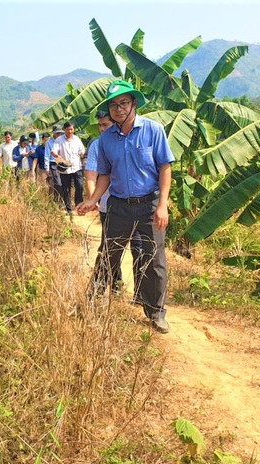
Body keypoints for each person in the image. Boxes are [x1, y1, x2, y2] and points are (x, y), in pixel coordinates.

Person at [76, 80, 174, 333]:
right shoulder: (106, 139)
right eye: (113, 105)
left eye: (123, 103)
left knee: (154, 260)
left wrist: (162, 205)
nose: (118, 109)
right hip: (119, 205)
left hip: (149, 204)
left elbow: (165, 167)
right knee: (108, 254)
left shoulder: (153, 130)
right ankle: (95, 301)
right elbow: (105, 175)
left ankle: (156, 312)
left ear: (134, 104)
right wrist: (93, 199)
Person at [85, 110, 142, 299]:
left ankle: (140, 294)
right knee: (110, 248)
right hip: (108, 205)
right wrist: (94, 199)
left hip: (136, 205)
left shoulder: (131, 140)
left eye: (105, 125)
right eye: (100, 125)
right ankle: (107, 287)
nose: (102, 129)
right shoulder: (97, 145)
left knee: (139, 248)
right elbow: (92, 175)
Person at [51, 122, 86, 214]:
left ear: (74, 130)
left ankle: (79, 207)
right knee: (66, 189)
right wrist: (60, 158)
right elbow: (53, 152)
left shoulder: (77, 139)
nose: (70, 131)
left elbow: (81, 150)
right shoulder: (59, 140)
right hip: (65, 169)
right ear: (64, 130)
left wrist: (82, 154)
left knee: (80, 186)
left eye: (71, 129)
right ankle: (68, 209)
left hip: (76, 167)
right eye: (67, 129)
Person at [46, 125, 65, 196]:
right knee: (57, 182)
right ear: (54, 133)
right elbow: (47, 156)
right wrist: (47, 168)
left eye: (60, 133)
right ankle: (57, 198)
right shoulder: (49, 142)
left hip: (62, 163)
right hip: (53, 163)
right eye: (57, 133)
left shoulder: (62, 140)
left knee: (63, 182)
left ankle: (62, 197)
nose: (59, 135)